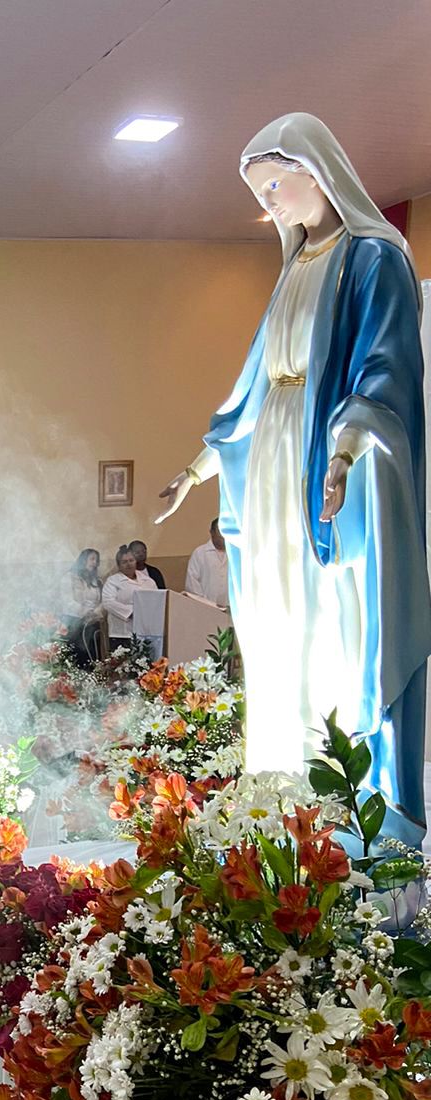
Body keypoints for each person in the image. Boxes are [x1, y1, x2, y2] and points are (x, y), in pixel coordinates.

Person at [157, 114, 430, 845]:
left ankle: (343, 798)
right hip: (274, 463)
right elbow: (249, 396)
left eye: (277, 183)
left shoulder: (376, 259)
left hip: (331, 466)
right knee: (277, 624)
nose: (270, 202)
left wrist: (341, 456)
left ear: (322, 170)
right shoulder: (295, 270)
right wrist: (197, 467)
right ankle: (283, 787)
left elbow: (386, 369)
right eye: (260, 191)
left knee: (328, 620)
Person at [102, 544, 160, 655]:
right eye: (124, 562)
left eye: (131, 560)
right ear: (119, 565)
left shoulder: (148, 581)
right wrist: (131, 612)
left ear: (135, 561)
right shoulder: (113, 581)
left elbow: (156, 600)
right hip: (121, 632)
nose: (129, 564)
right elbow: (108, 602)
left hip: (145, 631)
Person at [61, 548, 103, 663]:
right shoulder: (69, 577)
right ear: (83, 560)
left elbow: (100, 601)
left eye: (96, 560)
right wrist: (84, 612)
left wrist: (96, 612)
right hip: (74, 621)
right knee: (77, 655)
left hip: (92, 621)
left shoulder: (96, 580)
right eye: (92, 559)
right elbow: (67, 601)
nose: (94, 563)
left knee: (93, 655)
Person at [185, 519, 230, 609]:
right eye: (220, 531)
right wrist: (204, 604)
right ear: (212, 532)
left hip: (230, 608)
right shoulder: (200, 553)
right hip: (206, 608)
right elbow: (192, 582)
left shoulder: (235, 553)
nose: (223, 536)